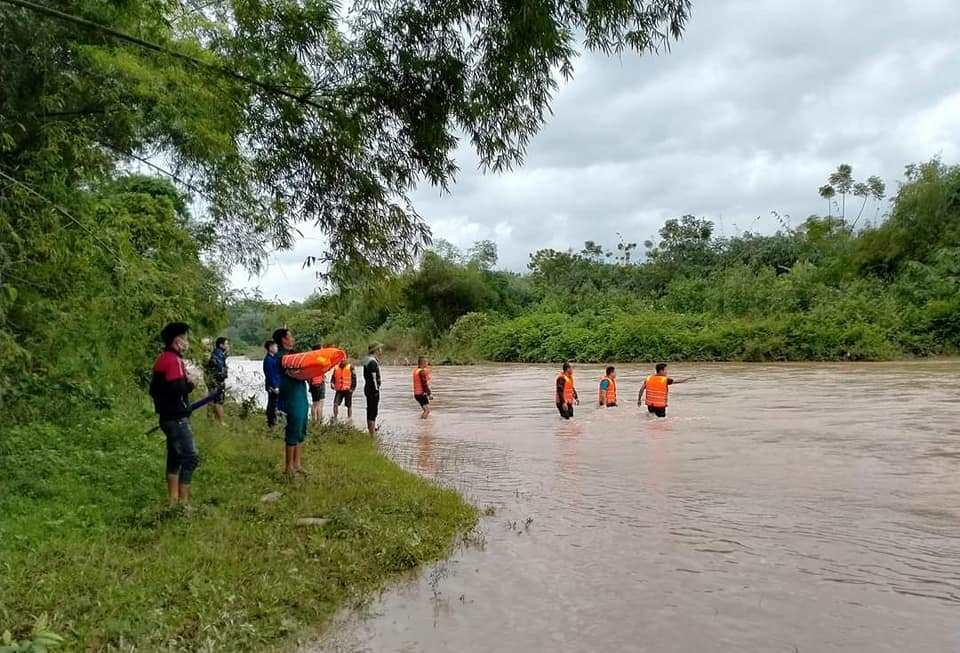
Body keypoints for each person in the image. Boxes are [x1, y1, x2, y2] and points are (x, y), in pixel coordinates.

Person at [150, 322, 200, 506]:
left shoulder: (163, 358)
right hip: (176, 418)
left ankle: (172, 500)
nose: (187, 341)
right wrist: (192, 382)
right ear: (176, 340)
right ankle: (183, 502)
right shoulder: (172, 360)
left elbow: (157, 389)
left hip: (167, 416)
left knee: (175, 457)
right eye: (184, 338)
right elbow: (177, 388)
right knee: (191, 457)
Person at [273, 328, 309, 475]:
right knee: (293, 428)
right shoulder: (282, 357)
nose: (293, 339)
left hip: (300, 394)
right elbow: (295, 374)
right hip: (291, 396)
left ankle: (297, 464)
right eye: (290, 336)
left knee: (301, 427)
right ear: (283, 339)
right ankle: (288, 468)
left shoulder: (293, 355)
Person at [205, 336, 229, 425]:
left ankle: (212, 421)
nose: (228, 346)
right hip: (216, 382)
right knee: (218, 401)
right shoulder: (218, 354)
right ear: (221, 345)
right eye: (226, 344)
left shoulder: (219, 354)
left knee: (212, 400)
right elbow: (220, 370)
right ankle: (221, 422)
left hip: (213, 381)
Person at [363, 343, 382, 436]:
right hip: (372, 390)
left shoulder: (366, 360)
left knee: (370, 409)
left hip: (367, 387)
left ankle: (371, 430)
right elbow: (374, 377)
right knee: (373, 411)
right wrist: (376, 389)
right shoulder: (372, 362)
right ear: (376, 350)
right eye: (379, 349)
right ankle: (372, 434)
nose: (381, 350)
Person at [262, 339, 281, 428]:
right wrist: (275, 386)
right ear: (270, 348)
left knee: (275, 403)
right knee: (272, 404)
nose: (276, 348)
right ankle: (271, 423)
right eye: (275, 346)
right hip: (272, 386)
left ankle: (273, 421)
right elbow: (270, 374)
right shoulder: (268, 360)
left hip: (276, 383)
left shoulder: (274, 358)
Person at [308, 343, 327, 425]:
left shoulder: (309, 360)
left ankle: (313, 421)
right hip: (320, 383)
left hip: (312, 383)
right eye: (321, 349)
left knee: (314, 403)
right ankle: (319, 423)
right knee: (320, 403)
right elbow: (327, 365)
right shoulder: (320, 359)